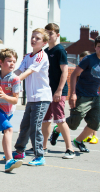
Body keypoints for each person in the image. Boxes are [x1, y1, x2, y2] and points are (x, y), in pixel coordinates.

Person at [28, 23, 75, 159]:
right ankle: (43, 147)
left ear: (57, 35)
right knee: (46, 120)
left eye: (51, 33)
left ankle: (69, 149)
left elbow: (65, 71)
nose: (48, 35)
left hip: (57, 91)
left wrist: (59, 90)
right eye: (46, 33)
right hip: (46, 91)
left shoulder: (60, 50)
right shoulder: (46, 52)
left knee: (60, 119)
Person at [11, 28, 52, 166]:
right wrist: (6, 79)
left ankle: (39, 156)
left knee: (35, 126)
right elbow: (19, 70)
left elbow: (28, 72)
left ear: (44, 43)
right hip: (32, 98)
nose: (33, 39)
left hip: (42, 97)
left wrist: (15, 81)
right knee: (25, 125)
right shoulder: (27, 56)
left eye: (37, 38)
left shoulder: (41, 56)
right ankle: (19, 151)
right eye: (32, 37)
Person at [65, 36, 100, 153]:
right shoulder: (89, 59)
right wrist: (73, 94)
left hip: (95, 96)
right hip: (82, 94)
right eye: (99, 47)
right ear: (95, 47)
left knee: (95, 123)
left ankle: (79, 141)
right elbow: (74, 74)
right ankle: (59, 128)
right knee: (74, 122)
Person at [77, 51, 99, 144]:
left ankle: (95, 136)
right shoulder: (81, 69)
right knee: (88, 117)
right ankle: (88, 135)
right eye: (81, 60)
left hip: (94, 93)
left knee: (95, 117)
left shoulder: (94, 64)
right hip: (84, 94)